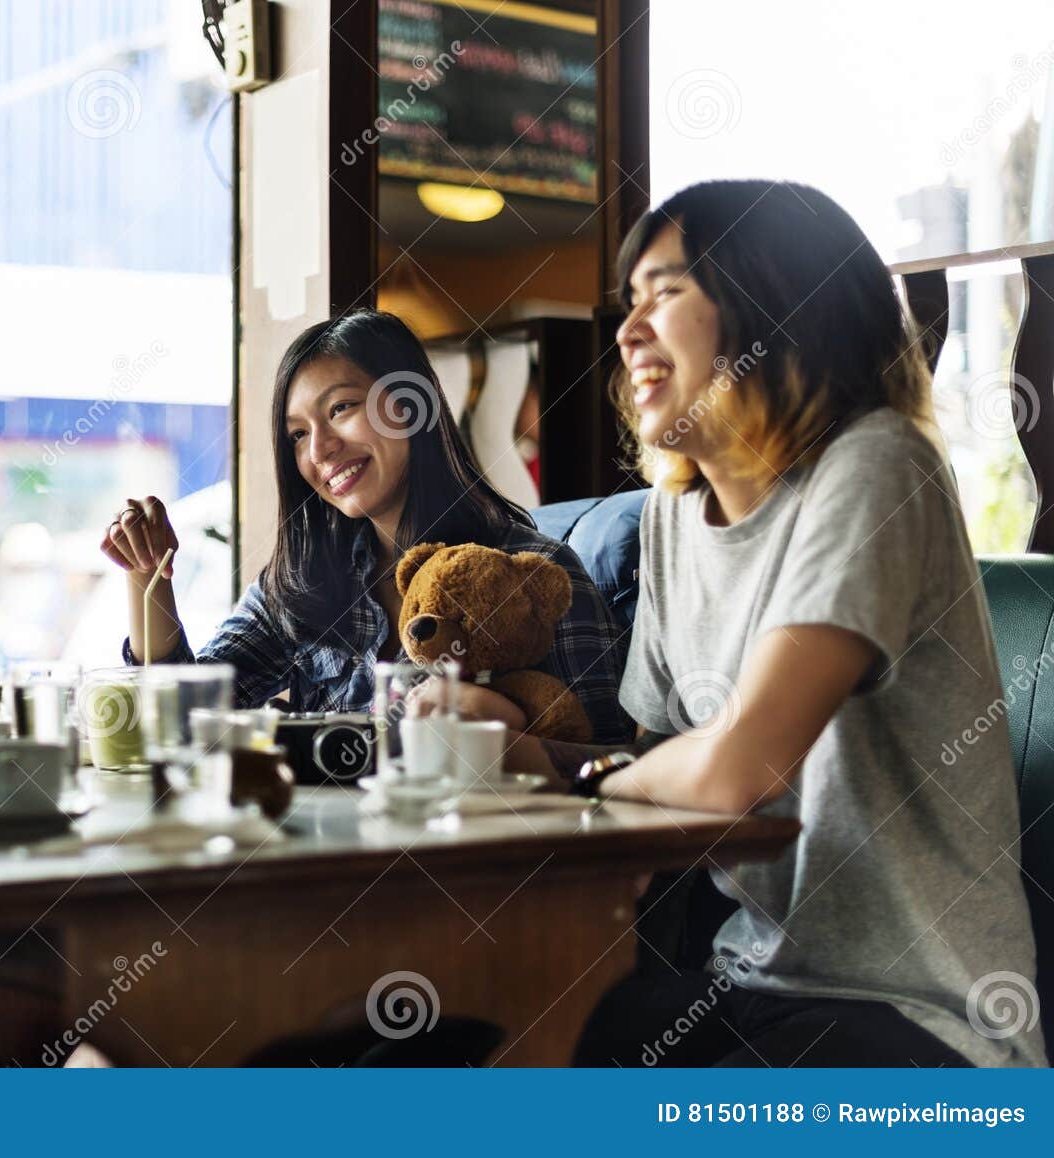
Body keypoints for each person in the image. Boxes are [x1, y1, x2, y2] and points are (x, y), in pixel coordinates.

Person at [544, 179, 1044, 1067]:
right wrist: (504, 756)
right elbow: (656, 772)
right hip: (750, 989)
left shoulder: (878, 467)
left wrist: (594, 784)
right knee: (516, 1057)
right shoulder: (668, 518)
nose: (627, 332)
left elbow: (737, 768)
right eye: (631, 303)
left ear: (773, 309)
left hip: (918, 1025)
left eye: (666, 293)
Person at [100, 309, 631, 746]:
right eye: (297, 435)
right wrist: (148, 578)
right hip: (328, 857)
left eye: (342, 408)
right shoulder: (302, 581)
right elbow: (183, 719)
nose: (320, 449)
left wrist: (499, 736)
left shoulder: (531, 574)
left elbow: (608, 765)